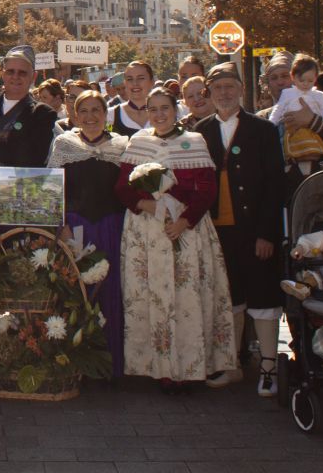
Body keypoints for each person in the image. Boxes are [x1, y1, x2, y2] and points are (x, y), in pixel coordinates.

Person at [119, 87, 237, 394]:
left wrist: (185, 221)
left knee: (188, 299)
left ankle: (190, 366)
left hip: (188, 231)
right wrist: (150, 205)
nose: (159, 114)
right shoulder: (138, 142)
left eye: (165, 108)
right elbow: (122, 188)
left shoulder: (194, 142)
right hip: (147, 231)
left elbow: (208, 190)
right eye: (153, 109)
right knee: (151, 297)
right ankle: (158, 367)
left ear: (176, 110)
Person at [192, 63, 283, 396]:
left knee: (263, 296)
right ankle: (231, 364)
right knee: (228, 298)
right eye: (218, 88)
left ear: (241, 90)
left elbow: (275, 185)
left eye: (230, 87)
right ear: (210, 93)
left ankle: (269, 366)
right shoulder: (199, 131)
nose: (224, 93)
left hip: (255, 229)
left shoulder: (263, 130)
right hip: (217, 232)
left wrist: (267, 233)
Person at [47, 90, 128, 375]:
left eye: (97, 110)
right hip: (76, 226)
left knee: (110, 292)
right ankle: (76, 365)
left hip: (111, 226)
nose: (91, 117)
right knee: (75, 293)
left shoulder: (121, 145)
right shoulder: (64, 144)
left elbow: (128, 190)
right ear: (75, 115)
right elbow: (53, 190)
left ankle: (110, 364)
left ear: (106, 115)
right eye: (85, 111)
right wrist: (61, 226)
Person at [271, 54, 323, 166]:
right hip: (292, 133)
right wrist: (271, 123)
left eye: (310, 81)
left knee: (311, 152)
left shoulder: (319, 96)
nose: (305, 84)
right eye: (302, 80)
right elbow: (278, 108)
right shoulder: (288, 94)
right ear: (293, 77)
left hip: (312, 132)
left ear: (315, 78)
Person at [108, 60, 156, 135]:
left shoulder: (168, 113)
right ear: (125, 83)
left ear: (152, 82)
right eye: (130, 79)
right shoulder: (111, 115)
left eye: (141, 78)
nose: (135, 83)